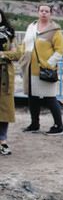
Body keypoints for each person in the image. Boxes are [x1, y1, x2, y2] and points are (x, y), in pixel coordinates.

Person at [22, 3, 63, 134]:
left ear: (50, 13)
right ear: (38, 12)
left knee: (50, 98)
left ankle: (59, 125)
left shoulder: (54, 30)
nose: (44, 13)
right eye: (42, 11)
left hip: (46, 69)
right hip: (30, 68)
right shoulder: (31, 27)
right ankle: (34, 124)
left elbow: (59, 50)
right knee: (32, 97)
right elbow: (25, 44)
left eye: (47, 11)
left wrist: (49, 63)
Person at [0, 9, 24, 156]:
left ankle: (3, 141)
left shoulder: (9, 34)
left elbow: (17, 54)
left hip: (5, 77)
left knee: (4, 110)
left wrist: (2, 54)